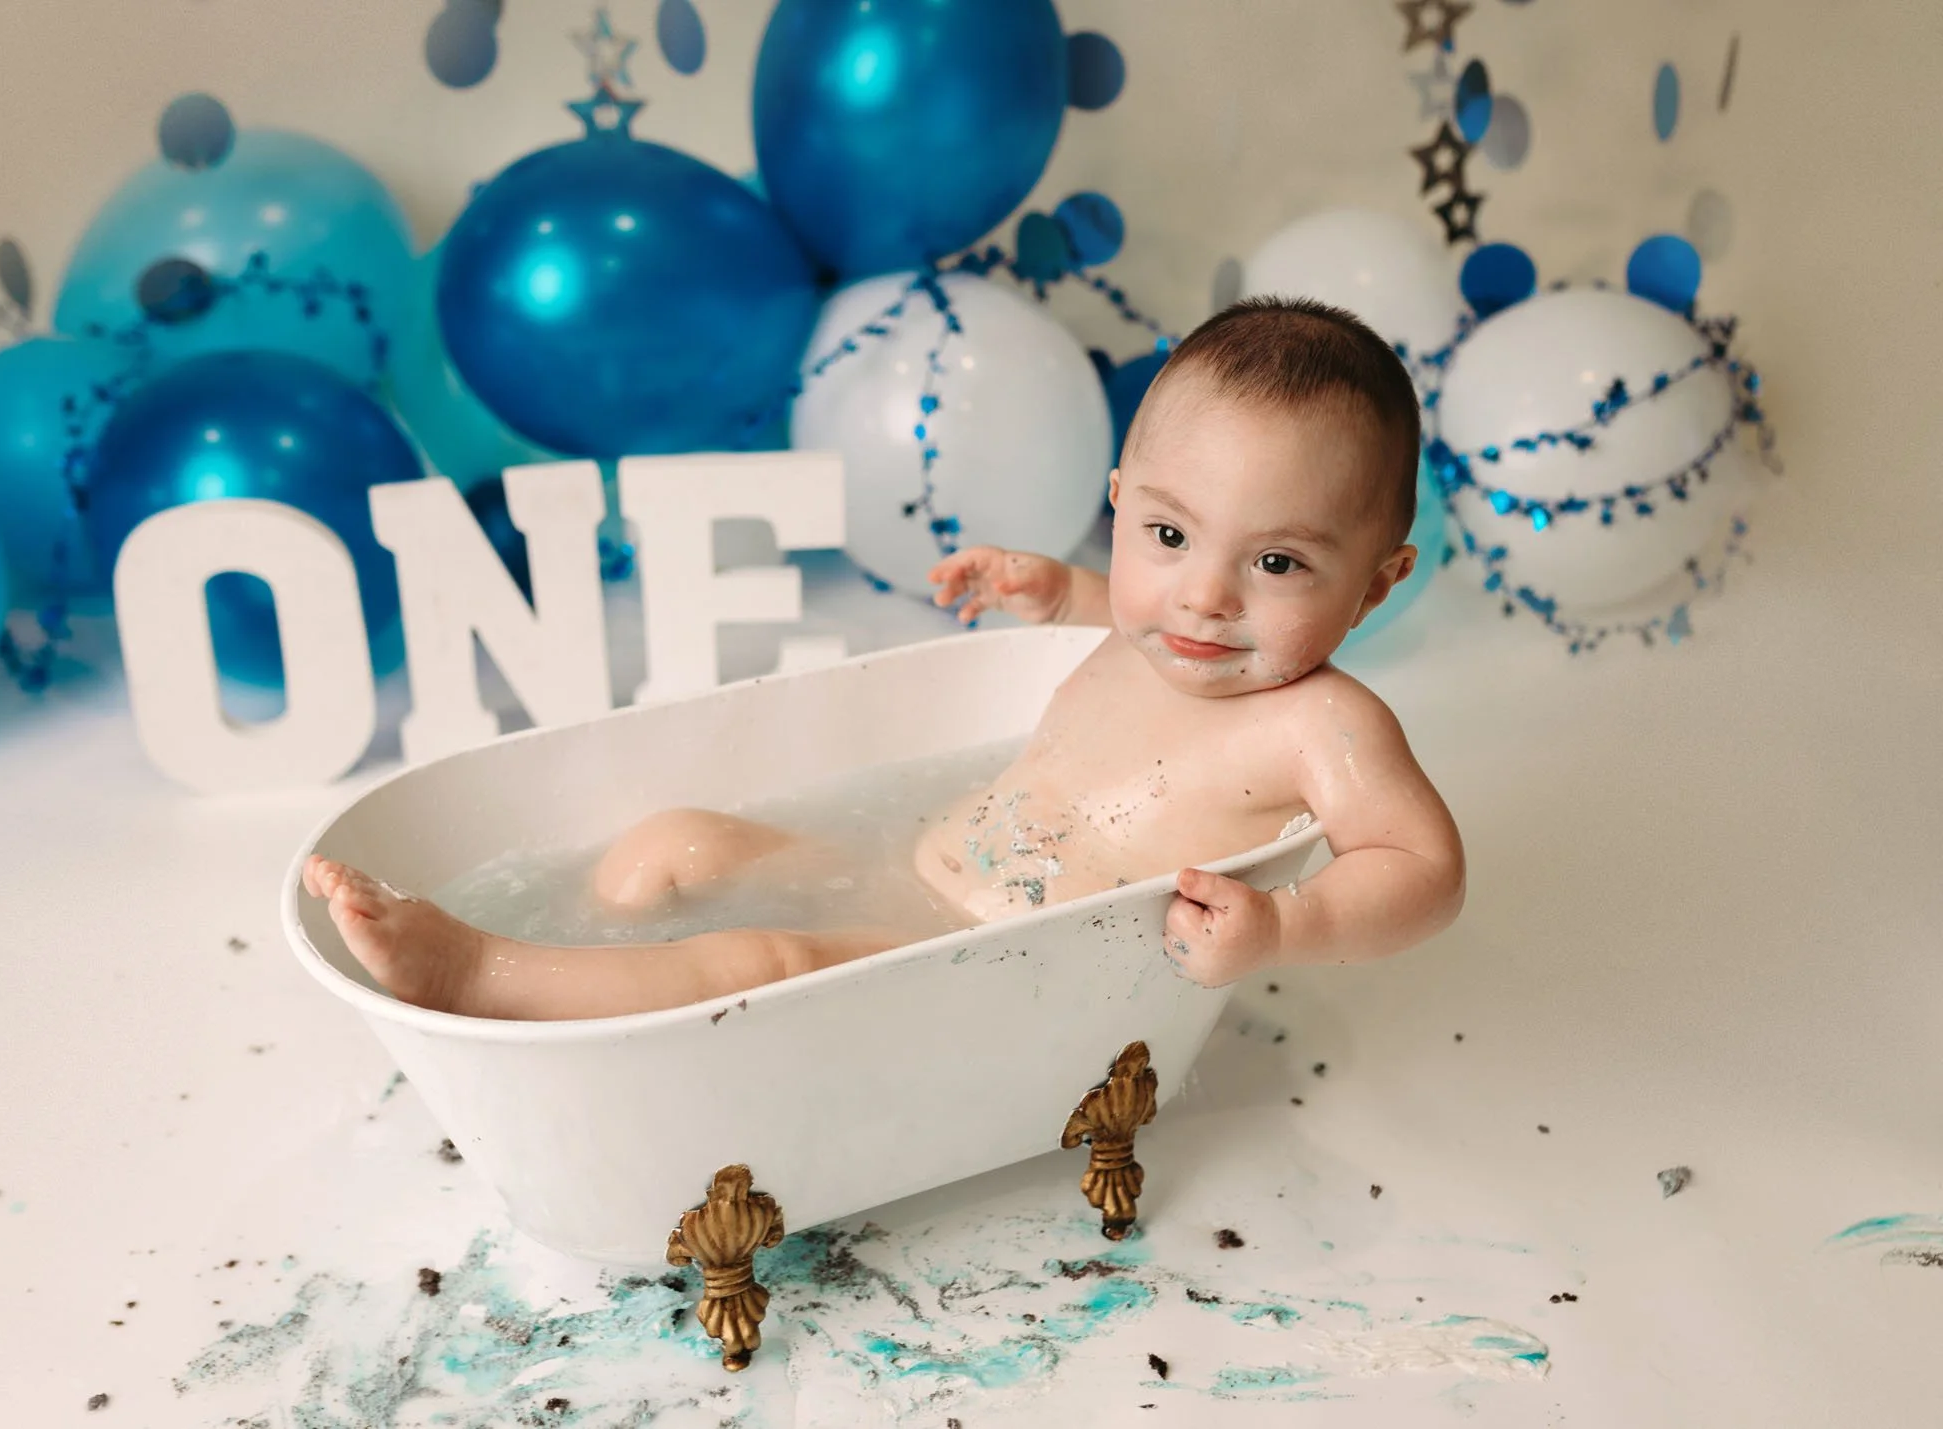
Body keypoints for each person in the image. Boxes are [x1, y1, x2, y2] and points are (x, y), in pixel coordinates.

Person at [302, 295, 1465, 1021]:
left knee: (759, 959)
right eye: (1167, 535)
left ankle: (484, 981)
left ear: (1374, 581)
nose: (1203, 597)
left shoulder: (1320, 723)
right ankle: (610, 978)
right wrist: (1051, 589)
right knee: (673, 844)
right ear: (1118, 505)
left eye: (1278, 565)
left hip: (983, 966)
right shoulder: (1154, 622)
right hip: (907, 866)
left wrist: (1285, 926)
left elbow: (1422, 866)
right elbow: (1132, 612)